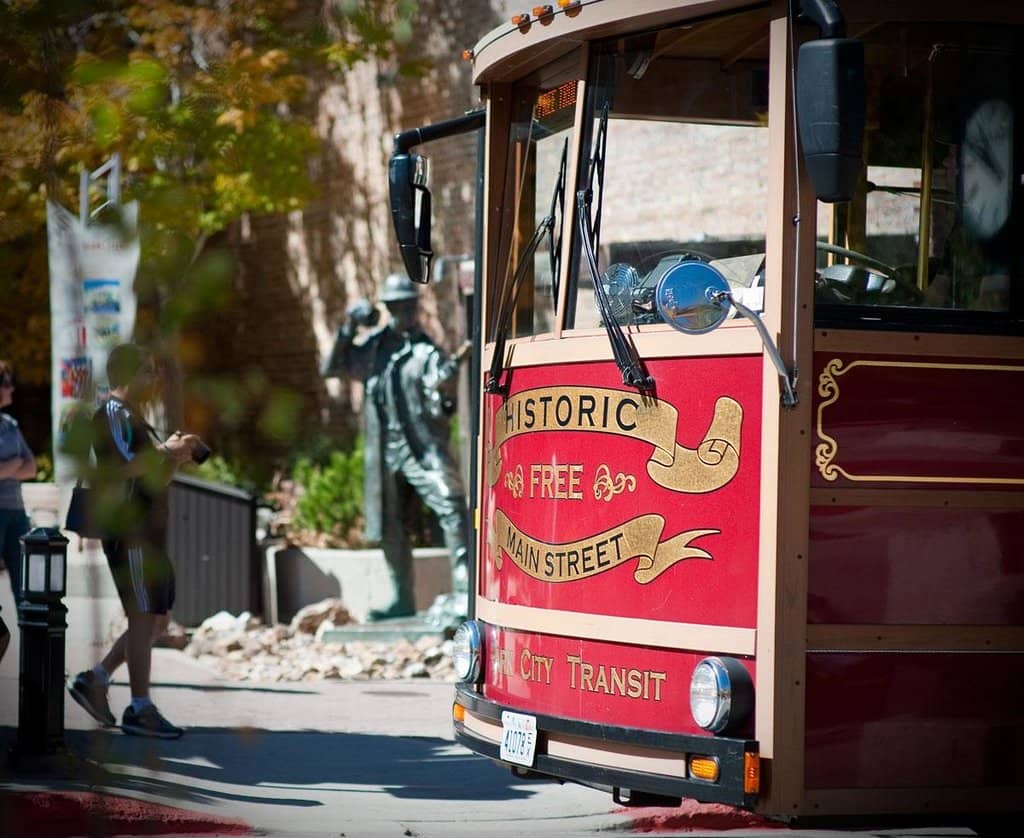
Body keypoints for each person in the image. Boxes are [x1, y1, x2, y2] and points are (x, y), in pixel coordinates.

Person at [67, 343, 204, 738]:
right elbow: (122, 470)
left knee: (158, 619)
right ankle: (139, 707)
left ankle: (96, 678)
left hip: (149, 531)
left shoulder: (136, 417)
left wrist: (175, 458)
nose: (154, 379)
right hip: (130, 531)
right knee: (142, 617)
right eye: (147, 371)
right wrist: (166, 450)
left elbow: (153, 478)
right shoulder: (110, 412)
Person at [323, 273, 470, 621]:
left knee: (451, 506)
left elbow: (441, 394)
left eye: (408, 306)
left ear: (415, 307)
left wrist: (445, 388)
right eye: (396, 307)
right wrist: (348, 326)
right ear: (388, 309)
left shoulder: (426, 352)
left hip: (420, 450)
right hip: (384, 452)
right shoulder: (374, 348)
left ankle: (465, 593)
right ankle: (401, 599)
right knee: (391, 526)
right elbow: (332, 367)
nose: (403, 312)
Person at [0, 360, 37, 659]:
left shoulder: (10, 425)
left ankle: (35, 658)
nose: (12, 389)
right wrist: (14, 466)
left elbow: (32, 467)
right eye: (7, 383)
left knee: (26, 588)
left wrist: (7, 468)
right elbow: (20, 465)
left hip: (16, 513)